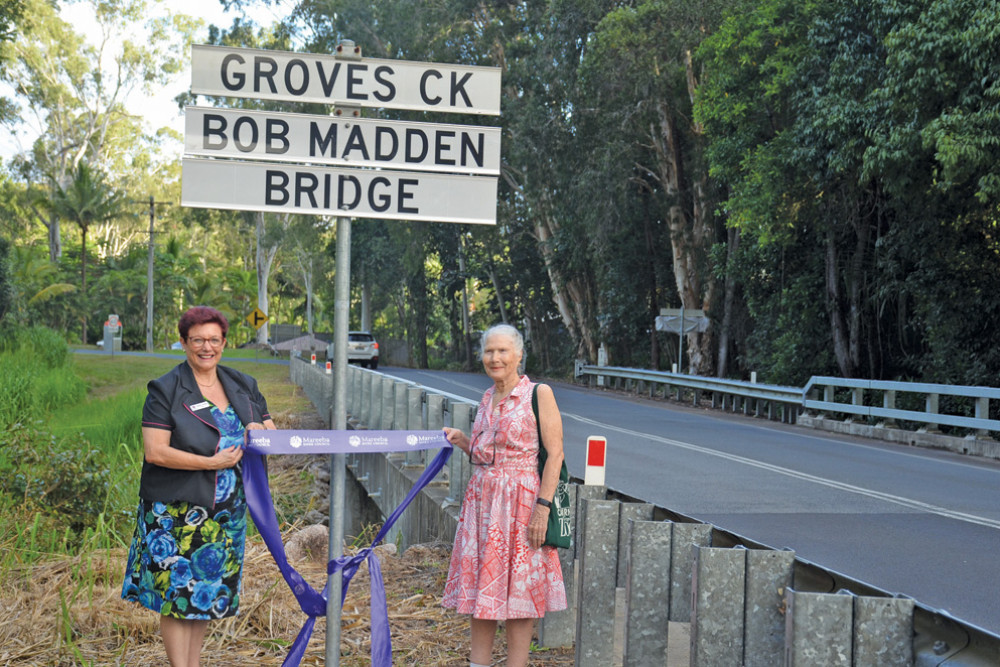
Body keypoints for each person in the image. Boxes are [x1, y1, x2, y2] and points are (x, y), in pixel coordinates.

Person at [121, 306, 276, 667]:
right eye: (198, 340)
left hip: (227, 512)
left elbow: (271, 433)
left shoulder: (243, 384)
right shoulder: (166, 389)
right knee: (177, 598)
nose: (206, 347)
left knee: (203, 594)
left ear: (224, 342)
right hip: (178, 512)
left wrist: (260, 432)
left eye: (213, 340)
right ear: (183, 342)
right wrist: (211, 463)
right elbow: (155, 451)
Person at [442, 324, 567, 667]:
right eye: (489, 351)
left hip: (521, 506)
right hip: (483, 507)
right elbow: (487, 454)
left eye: (502, 351)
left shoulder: (538, 394)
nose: (495, 358)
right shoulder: (486, 397)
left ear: (518, 354)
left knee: (520, 595)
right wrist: (463, 440)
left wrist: (542, 508)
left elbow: (555, 454)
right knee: (482, 594)